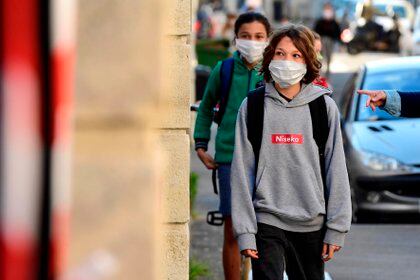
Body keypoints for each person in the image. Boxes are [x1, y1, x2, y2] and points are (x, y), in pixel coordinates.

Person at [231, 24, 351, 280]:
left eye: (296, 55)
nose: (287, 61)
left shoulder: (323, 107)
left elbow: (336, 168)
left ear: (308, 61)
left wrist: (336, 228)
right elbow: (242, 171)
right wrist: (245, 231)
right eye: (280, 53)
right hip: (267, 219)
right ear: (269, 56)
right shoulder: (252, 107)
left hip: (311, 222)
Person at [193, 12, 271, 280]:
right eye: (246, 36)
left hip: (268, 161)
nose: (252, 42)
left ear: (268, 39)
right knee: (233, 229)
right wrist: (201, 144)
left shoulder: (276, 71)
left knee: (267, 230)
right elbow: (205, 109)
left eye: (259, 37)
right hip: (229, 159)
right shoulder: (223, 70)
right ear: (236, 38)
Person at [314, 3, 341, 76]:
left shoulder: (334, 22)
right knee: (319, 57)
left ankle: (327, 73)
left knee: (329, 57)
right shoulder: (320, 22)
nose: (327, 11)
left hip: (330, 41)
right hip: (321, 41)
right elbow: (315, 32)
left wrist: (339, 43)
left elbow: (337, 32)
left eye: (329, 9)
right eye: (326, 9)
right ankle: (319, 72)